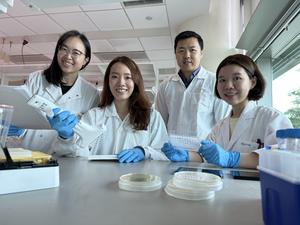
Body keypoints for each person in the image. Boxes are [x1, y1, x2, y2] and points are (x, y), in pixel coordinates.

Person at [162, 54, 293, 169]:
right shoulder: (220, 127)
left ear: (252, 82)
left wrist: (233, 158)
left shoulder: (271, 118)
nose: (228, 86)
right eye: (222, 80)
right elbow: (204, 156)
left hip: (258, 193)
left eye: (236, 78)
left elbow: (285, 157)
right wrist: (187, 156)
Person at [52, 56, 169, 163]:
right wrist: (66, 137)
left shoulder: (152, 116)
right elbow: (75, 153)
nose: (121, 83)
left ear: (135, 82)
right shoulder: (94, 116)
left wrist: (144, 152)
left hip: (137, 182)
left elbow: (164, 154)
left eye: (128, 77)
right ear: (108, 81)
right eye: (114, 77)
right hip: (98, 181)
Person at [7, 30, 100, 153]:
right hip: (28, 152)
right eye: (64, 49)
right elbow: (23, 113)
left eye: (76, 53)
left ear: (85, 60)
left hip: (63, 158)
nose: (68, 56)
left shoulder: (91, 94)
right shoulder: (36, 79)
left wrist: (67, 135)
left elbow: (86, 139)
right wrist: (16, 124)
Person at [155, 30, 230, 142]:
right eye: (181, 50)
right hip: (172, 152)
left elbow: (223, 123)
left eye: (192, 50)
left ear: (201, 53)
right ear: (175, 54)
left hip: (204, 154)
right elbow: (160, 124)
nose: (187, 55)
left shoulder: (216, 81)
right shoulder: (165, 86)